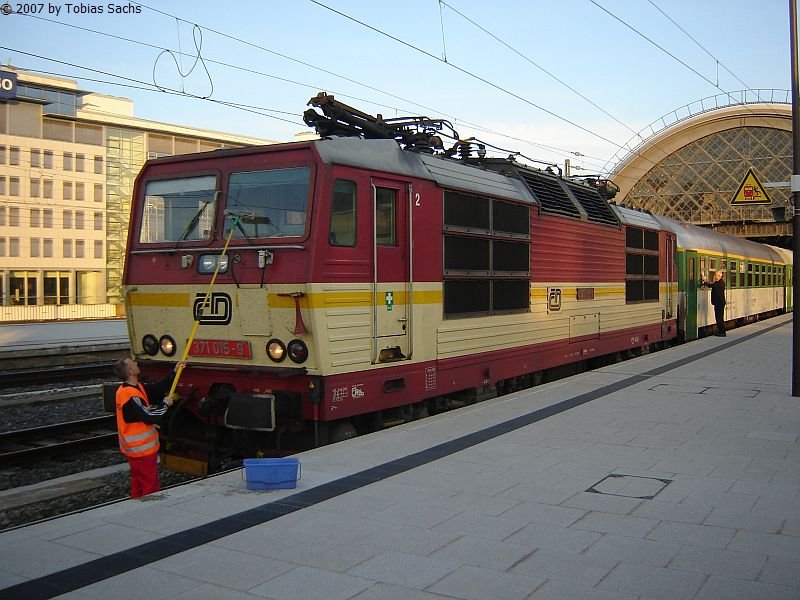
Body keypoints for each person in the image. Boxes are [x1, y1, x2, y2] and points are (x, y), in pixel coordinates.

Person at [112, 357, 184, 498]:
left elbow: (157, 389)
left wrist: (174, 372)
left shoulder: (131, 388)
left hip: (134, 449)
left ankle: (136, 507)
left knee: (138, 482)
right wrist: (165, 405)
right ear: (131, 372)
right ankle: (150, 512)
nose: (137, 363)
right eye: (134, 363)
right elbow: (149, 416)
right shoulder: (131, 396)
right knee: (150, 484)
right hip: (142, 450)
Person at [702, 269, 726, 337]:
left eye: (715, 275)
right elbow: (711, 285)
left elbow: (714, 286)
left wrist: (705, 281)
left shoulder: (720, 283)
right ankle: (721, 331)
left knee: (719, 318)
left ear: (719, 276)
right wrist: (705, 282)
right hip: (718, 303)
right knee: (719, 317)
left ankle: (722, 332)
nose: (714, 276)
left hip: (719, 303)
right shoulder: (718, 282)